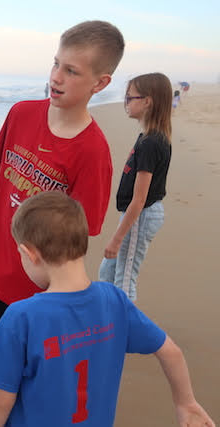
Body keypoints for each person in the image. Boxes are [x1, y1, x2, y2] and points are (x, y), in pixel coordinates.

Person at [0, 20, 123, 421]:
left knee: (24, 350)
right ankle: (4, 393)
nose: (56, 77)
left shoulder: (92, 151)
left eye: (72, 71)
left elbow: (80, 233)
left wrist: (64, 291)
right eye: (56, 64)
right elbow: (1, 173)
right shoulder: (21, 113)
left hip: (37, 281)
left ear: (100, 83)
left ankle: (7, 399)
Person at [0, 191, 215, 427]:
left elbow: (0, 397)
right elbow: (170, 351)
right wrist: (185, 402)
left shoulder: (21, 317)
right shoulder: (115, 300)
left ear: (29, 254)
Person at [99, 73, 173, 301]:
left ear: (147, 101)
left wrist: (117, 238)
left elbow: (139, 199)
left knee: (124, 279)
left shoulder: (151, 143)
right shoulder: (147, 138)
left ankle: (123, 321)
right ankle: (109, 314)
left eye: (130, 98)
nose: (126, 102)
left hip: (141, 215)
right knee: (107, 272)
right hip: (136, 215)